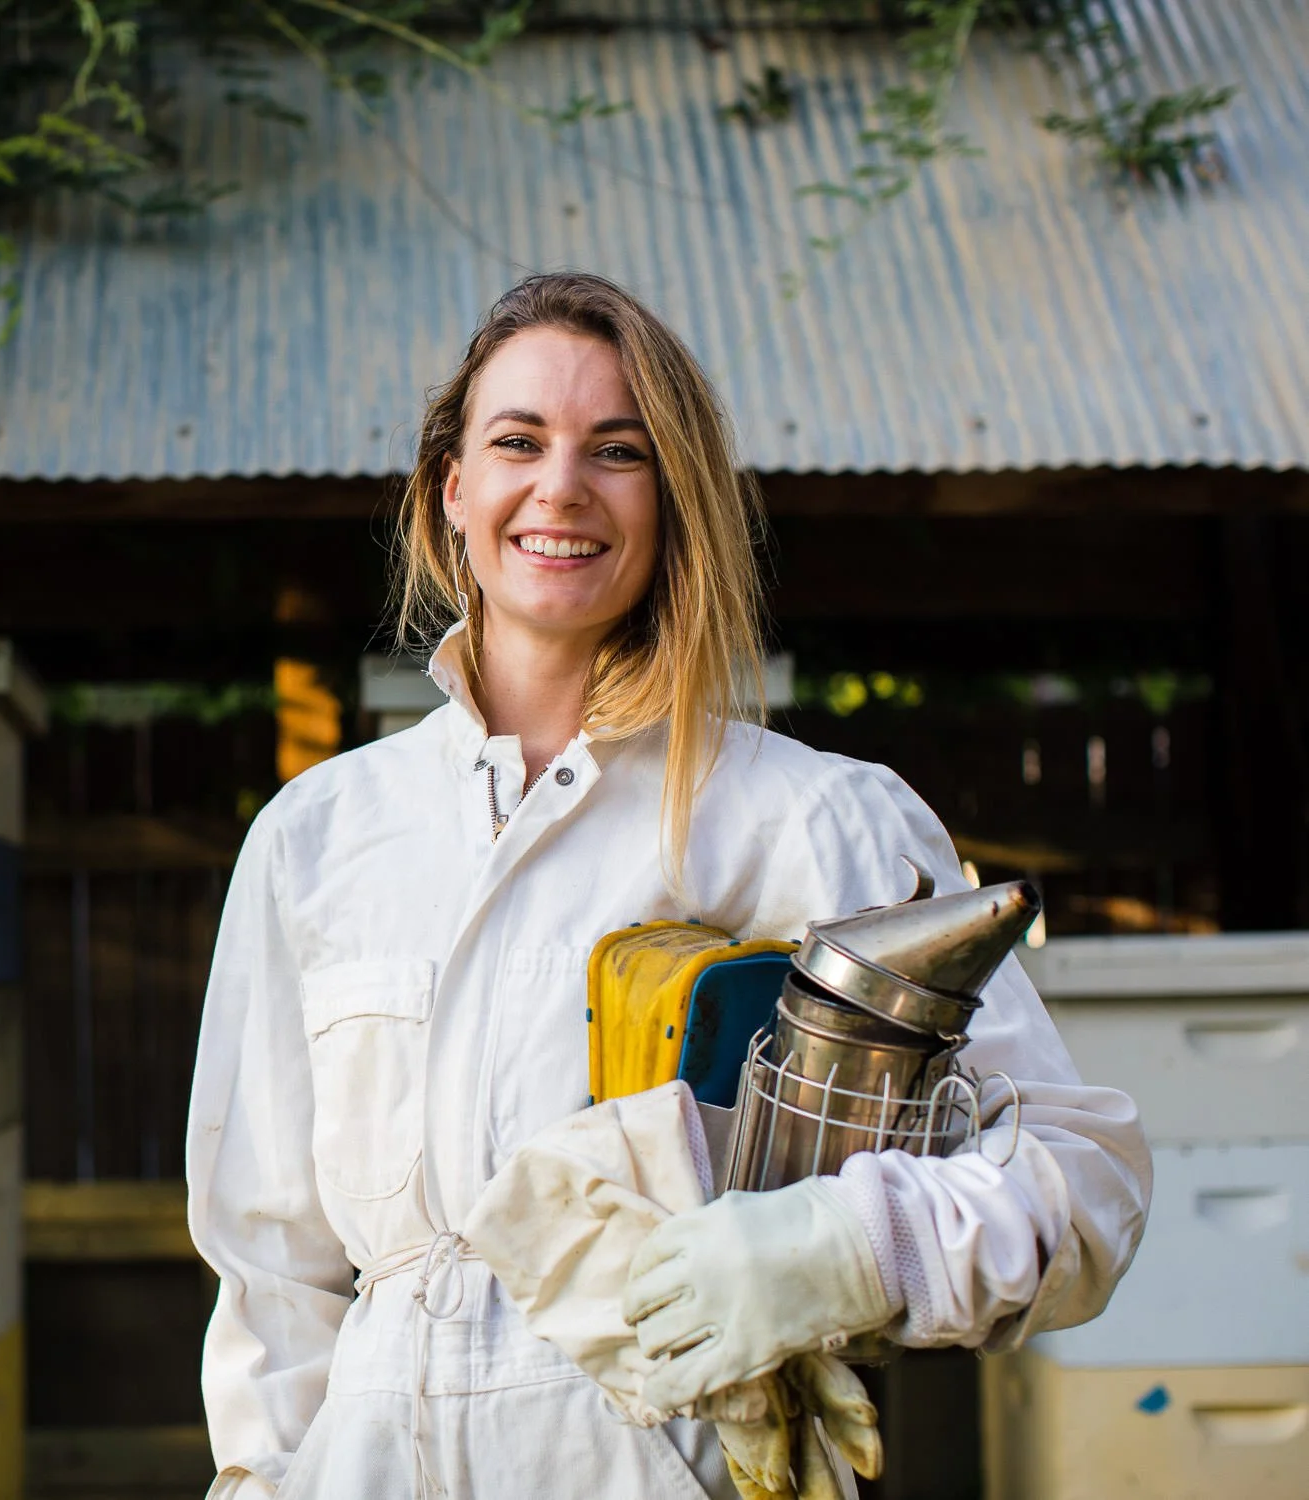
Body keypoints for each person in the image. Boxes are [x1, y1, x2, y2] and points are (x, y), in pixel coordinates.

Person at [183, 272, 1151, 1499]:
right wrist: (260, 1481)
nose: (562, 487)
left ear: (675, 500)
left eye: (618, 451)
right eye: (519, 441)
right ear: (456, 489)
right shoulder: (319, 836)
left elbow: (1084, 1185)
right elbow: (272, 1270)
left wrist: (845, 1251)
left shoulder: (813, 817)